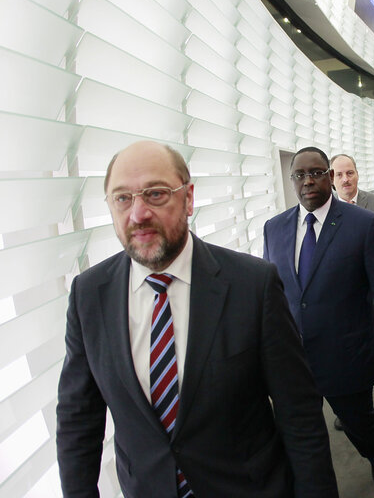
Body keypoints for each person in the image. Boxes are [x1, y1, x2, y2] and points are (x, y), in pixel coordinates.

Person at [56, 141, 338, 498]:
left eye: (155, 194)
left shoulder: (252, 284)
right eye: (123, 198)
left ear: (188, 198)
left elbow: (299, 413)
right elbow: (78, 420)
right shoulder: (88, 294)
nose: (138, 213)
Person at [263, 147, 374, 490]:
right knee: (302, 440)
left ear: (329, 177)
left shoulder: (364, 224)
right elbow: (273, 297)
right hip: (294, 364)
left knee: (361, 425)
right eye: (300, 175)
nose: (308, 180)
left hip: (348, 358)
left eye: (316, 172)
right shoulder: (274, 229)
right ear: (292, 181)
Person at [330, 153, 374, 252]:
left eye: (350, 173)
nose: (345, 179)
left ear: (357, 174)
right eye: (339, 174)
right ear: (331, 179)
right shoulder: (327, 208)